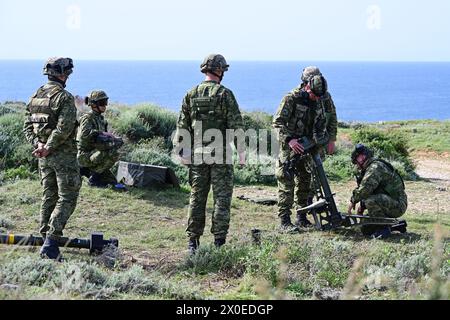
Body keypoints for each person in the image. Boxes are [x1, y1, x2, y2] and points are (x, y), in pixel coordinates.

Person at [174, 54, 245, 254]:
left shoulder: (191, 93)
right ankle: (219, 243)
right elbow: (236, 126)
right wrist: (241, 153)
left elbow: (182, 126)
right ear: (220, 70)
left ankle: (192, 243)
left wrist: (182, 151)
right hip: (220, 155)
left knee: (197, 197)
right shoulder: (225, 94)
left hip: (197, 154)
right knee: (222, 199)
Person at [23, 57, 81, 260]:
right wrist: (48, 147)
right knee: (67, 197)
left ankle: (44, 237)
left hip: (43, 157)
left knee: (49, 195)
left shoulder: (35, 95)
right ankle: (51, 242)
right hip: (62, 157)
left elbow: (27, 126)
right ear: (63, 73)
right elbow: (64, 127)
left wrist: (38, 145)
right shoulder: (64, 97)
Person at [273, 75, 329, 233]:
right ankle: (284, 221)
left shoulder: (318, 100)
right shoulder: (291, 98)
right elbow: (277, 123)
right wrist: (290, 140)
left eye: (319, 96)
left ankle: (302, 218)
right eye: (313, 95)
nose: (316, 98)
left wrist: (319, 140)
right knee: (286, 184)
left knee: (305, 183)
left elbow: (321, 123)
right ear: (307, 87)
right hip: (290, 149)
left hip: (308, 148)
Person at [348, 144, 408, 238]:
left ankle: (383, 229)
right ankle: (396, 225)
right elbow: (370, 189)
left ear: (363, 156)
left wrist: (353, 201)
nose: (357, 164)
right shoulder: (372, 166)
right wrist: (362, 206)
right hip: (391, 202)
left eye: (357, 160)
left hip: (398, 204)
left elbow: (365, 189)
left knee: (370, 200)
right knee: (364, 228)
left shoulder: (375, 167)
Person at [77, 90, 125, 190]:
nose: (105, 106)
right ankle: (93, 179)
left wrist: (114, 138)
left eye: (105, 102)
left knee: (112, 181)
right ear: (93, 105)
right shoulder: (88, 118)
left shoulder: (101, 119)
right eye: (102, 103)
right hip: (84, 155)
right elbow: (84, 134)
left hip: (94, 153)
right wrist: (102, 133)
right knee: (112, 152)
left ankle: (87, 172)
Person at [300, 66, 338, 155]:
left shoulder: (325, 95)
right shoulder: (295, 96)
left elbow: (332, 115)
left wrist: (332, 139)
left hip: (317, 142)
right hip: (299, 143)